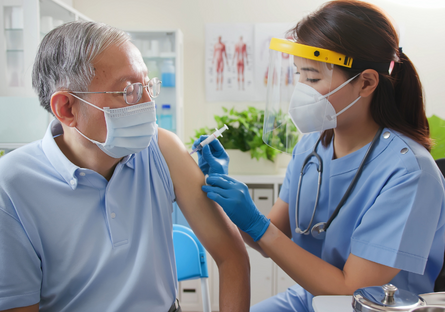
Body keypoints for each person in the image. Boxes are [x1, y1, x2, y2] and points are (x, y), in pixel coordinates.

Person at [194, 1, 445, 311]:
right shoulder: (311, 147)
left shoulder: (409, 172)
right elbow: (267, 236)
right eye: (299, 75)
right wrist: (223, 191)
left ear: (366, 82)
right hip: (311, 299)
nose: (302, 89)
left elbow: (352, 289)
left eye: (312, 79)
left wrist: (259, 225)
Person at [0, 21, 250, 312]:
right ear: (67, 108)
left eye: (147, 86)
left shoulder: (161, 148)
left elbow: (231, 256)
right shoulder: (12, 186)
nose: (147, 103)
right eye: (129, 90)